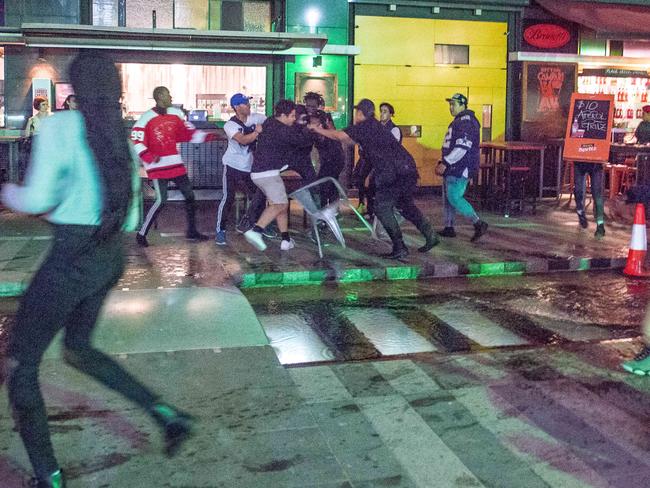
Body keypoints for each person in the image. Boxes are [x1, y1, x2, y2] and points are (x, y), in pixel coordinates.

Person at [0, 52, 192, 488]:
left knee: (19, 363)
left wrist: (6, 189)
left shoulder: (61, 126)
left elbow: (35, 199)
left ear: (75, 88)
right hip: (109, 257)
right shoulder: (120, 137)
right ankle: (166, 414)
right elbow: (128, 211)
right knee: (79, 349)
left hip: (71, 256)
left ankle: (48, 476)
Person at [310, 98, 438, 259]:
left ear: (360, 113)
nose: (355, 115)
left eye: (357, 112)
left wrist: (317, 130)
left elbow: (341, 136)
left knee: (382, 208)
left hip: (395, 173)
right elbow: (349, 140)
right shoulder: (373, 126)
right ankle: (430, 235)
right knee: (405, 205)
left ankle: (400, 247)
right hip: (406, 170)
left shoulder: (365, 126)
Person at [131, 86, 214, 247]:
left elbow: (188, 133)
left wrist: (210, 137)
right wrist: (147, 156)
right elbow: (136, 138)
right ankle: (142, 234)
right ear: (159, 97)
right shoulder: (146, 117)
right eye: (168, 94)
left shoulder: (177, 114)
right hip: (157, 166)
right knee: (161, 200)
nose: (171, 97)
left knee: (189, 196)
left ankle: (192, 231)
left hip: (175, 164)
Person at [244, 99, 314, 252]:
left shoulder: (270, 122)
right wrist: (310, 129)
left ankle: (286, 239)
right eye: (292, 116)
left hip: (259, 173)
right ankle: (256, 231)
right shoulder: (283, 130)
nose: (294, 119)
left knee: (279, 204)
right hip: (268, 174)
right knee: (280, 204)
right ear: (283, 115)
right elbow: (301, 141)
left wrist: (299, 126)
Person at [214, 93, 266, 246]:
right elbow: (243, 140)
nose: (248, 106)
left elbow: (271, 123)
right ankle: (220, 231)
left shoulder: (257, 118)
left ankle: (257, 226)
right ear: (236, 107)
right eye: (244, 104)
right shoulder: (230, 125)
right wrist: (257, 132)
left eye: (248, 103)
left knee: (259, 194)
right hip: (232, 165)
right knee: (228, 198)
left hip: (249, 167)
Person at [439, 93, 488, 242]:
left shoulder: (465, 122)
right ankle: (449, 227)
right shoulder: (460, 121)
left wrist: (446, 162)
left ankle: (478, 223)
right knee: (448, 196)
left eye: (454, 104)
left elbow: (462, 147)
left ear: (463, 105)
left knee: (454, 196)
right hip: (454, 166)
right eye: (450, 104)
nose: (451, 107)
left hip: (459, 167)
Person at [312, 110, 345, 205]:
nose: (314, 126)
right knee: (328, 187)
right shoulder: (320, 133)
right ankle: (329, 211)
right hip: (328, 162)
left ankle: (329, 211)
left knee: (328, 187)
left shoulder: (328, 133)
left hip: (333, 162)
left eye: (316, 123)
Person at [574, 161, 606, 238]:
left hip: (595, 163)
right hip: (580, 162)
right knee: (578, 191)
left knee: (597, 194)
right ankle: (580, 213)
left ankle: (600, 224)